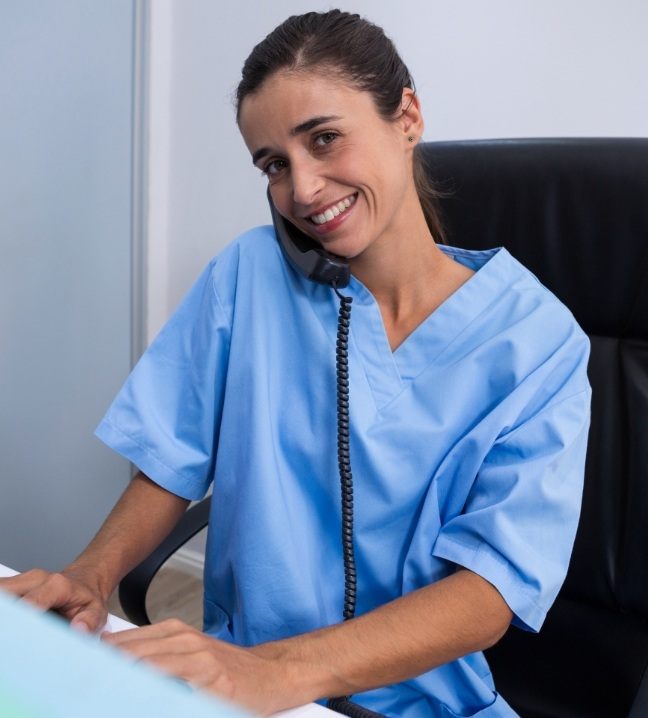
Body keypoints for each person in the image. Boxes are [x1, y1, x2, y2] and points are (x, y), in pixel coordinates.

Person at [0, 10, 591, 718]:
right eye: (275, 164)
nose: (304, 190)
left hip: (420, 704)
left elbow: (492, 590)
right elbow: (168, 460)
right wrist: (91, 578)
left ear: (407, 115)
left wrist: (278, 672)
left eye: (324, 139)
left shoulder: (537, 342)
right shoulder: (247, 274)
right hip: (236, 684)